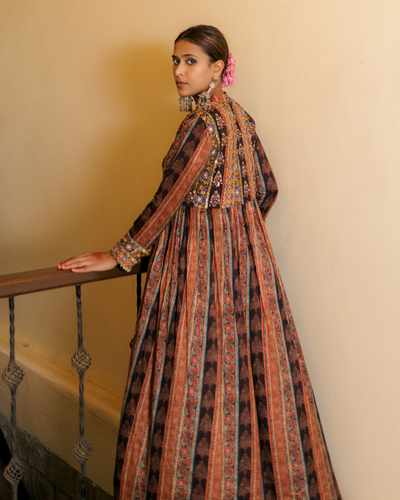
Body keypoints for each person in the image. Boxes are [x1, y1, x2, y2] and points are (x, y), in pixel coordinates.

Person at [58, 25, 342, 500]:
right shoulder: (241, 118)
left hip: (197, 265)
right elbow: (268, 188)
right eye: (175, 60)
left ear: (217, 68)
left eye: (190, 61)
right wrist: (240, 235)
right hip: (248, 266)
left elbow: (168, 200)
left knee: (193, 372)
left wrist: (118, 253)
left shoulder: (203, 124)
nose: (179, 71)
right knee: (251, 372)